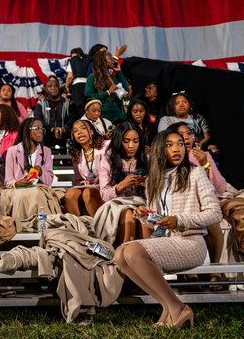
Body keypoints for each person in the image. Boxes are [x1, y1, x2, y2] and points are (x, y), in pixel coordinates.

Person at [115, 130, 222, 328]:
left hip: (191, 242)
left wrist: (179, 220)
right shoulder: (155, 180)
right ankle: (168, 307)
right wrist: (145, 216)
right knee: (120, 255)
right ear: (159, 150)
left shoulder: (195, 173)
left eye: (180, 144)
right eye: (169, 145)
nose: (176, 149)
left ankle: (178, 307)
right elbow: (158, 221)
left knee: (132, 251)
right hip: (167, 240)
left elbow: (215, 214)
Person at [168, 122, 228, 288]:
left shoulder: (202, 155)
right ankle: (190, 274)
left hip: (202, 202)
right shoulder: (170, 156)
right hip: (181, 204)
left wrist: (206, 165)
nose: (186, 137)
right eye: (181, 135)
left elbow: (220, 188)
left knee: (213, 224)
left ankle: (214, 271)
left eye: (189, 133)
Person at [96, 122, 150, 244]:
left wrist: (147, 185)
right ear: (118, 141)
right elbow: (104, 195)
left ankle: (148, 253)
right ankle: (124, 252)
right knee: (128, 213)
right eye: (126, 141)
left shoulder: (148, 159)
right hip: (117, 205)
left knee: (144, 213)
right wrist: (122, 185)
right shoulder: (107, 161)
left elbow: (158, 194)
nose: (131, 146)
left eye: (136, 141)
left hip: (142, 203)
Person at [0, 118, 61, 222]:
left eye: (42, 129)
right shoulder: (12, 151)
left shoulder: (46, 151)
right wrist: (17, 183)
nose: (40, 131)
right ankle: (20, 224)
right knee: (21, 195)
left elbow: (49, 181)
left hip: (39, 188)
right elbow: (8, 180)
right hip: (18, 189)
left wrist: (40, 171)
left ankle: (39, 224)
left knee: (36, 193)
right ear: (27, 131)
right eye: (36, 128)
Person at [64, 120, 108, 217]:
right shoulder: (77, 155)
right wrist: (84, 183)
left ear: (91, 132)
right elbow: (78, 180)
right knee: (70, 194)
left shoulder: (106, 146)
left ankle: (99, 226)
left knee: (88, 193)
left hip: (107, 184)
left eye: (83, 128)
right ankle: (79, 226)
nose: (79, 132)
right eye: (75, 131)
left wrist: (99, 180)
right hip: (91, 186)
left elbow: (114, 169)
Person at [85, 50, 129, 124]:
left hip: (118, 116)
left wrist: (119, 71)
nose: (112, 61)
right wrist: (107, 92)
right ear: (102, 61)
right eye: (109, 59)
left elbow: (126, 89)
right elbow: (88, 95)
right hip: (103, 116)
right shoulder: (92, 77)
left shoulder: (113, 77)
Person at [34, 75, 72, 151]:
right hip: (47, 134)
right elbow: (38, 120)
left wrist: (64, 129)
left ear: (59, 87)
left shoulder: (68, 102)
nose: (53, 87)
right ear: (46, 89)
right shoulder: (41, 103)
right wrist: (52, 129)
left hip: (64, 133)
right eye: (50, 86)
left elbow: (73, 118)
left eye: (55, 85)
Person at [65, 48, 90, 116]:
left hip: (78, 86)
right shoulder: (88, 59)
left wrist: (66, 87)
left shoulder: (73, 60)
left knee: (79, 108)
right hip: (89, 85)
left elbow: (70, 77)